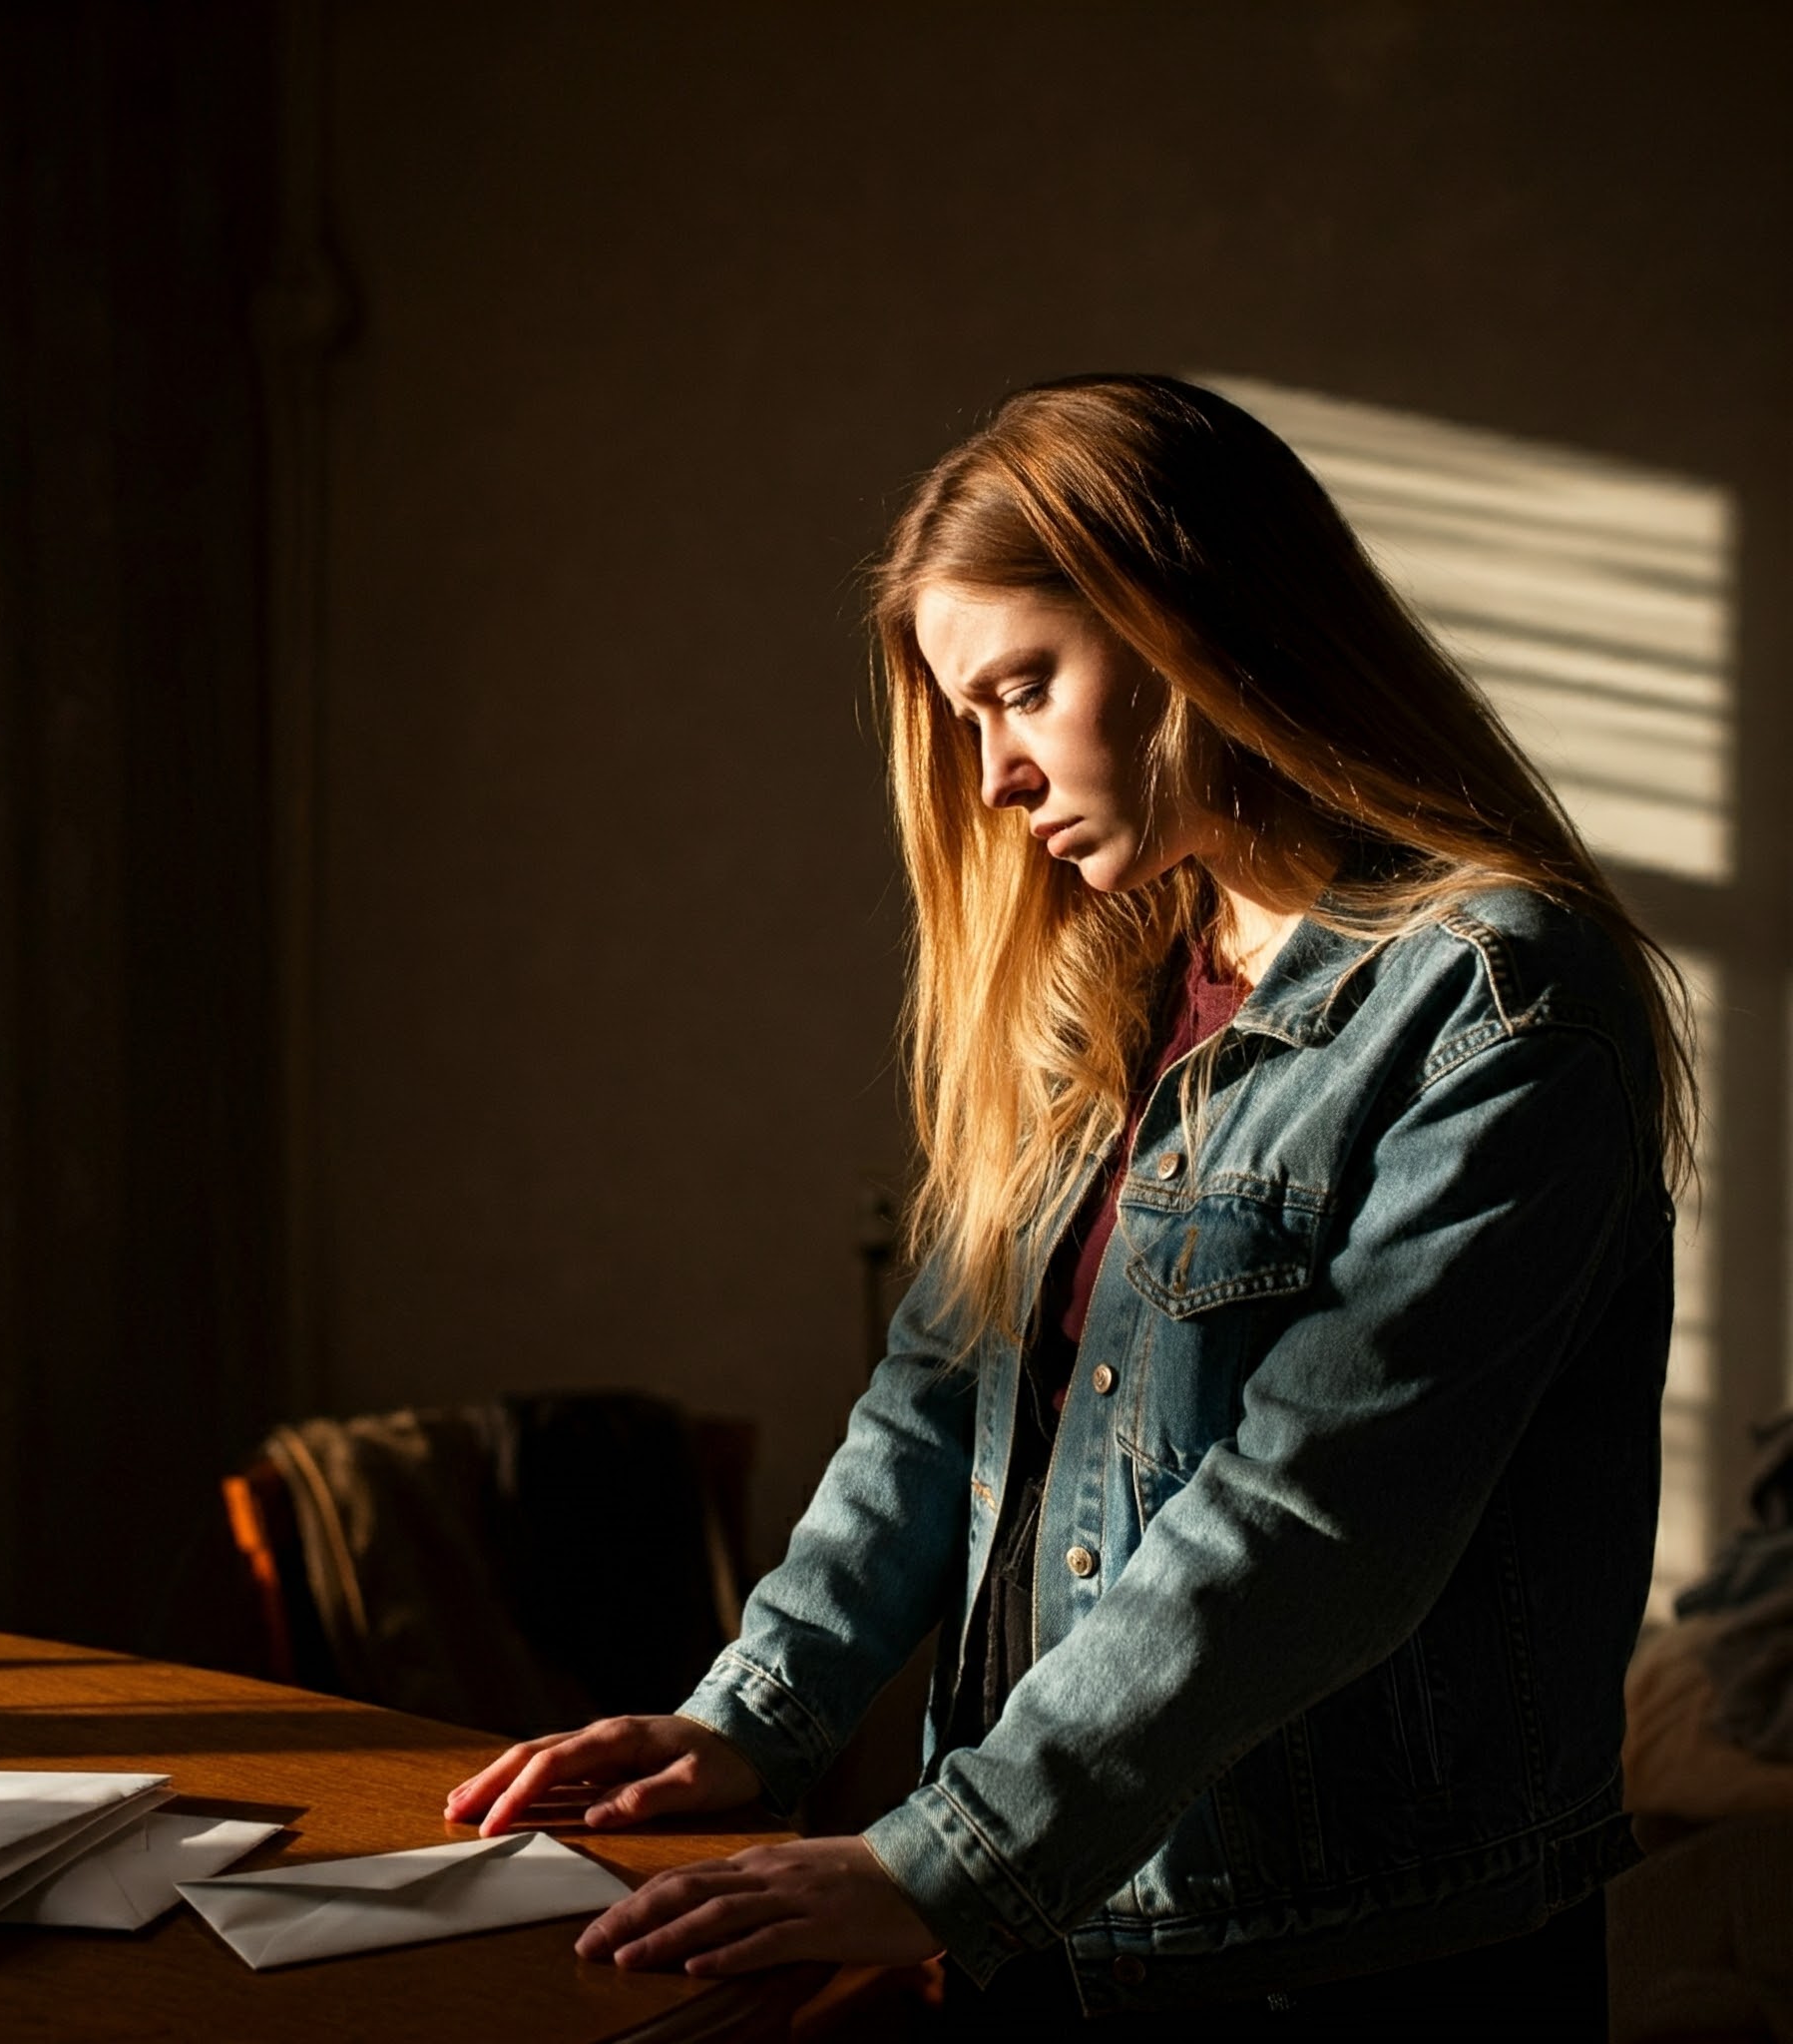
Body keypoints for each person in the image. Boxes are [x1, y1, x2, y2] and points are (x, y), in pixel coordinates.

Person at [443, 375, 1688, 2037]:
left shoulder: (1502, 1006)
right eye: (966, 717)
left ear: (1191, 629)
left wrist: (940, 1859)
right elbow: (932, 1402)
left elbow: (1315, 1520)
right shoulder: (1108, 990)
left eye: (1021, 689)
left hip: (1357, 1963)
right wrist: (753, 1717)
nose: (993, 777)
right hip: (1063, 1933)